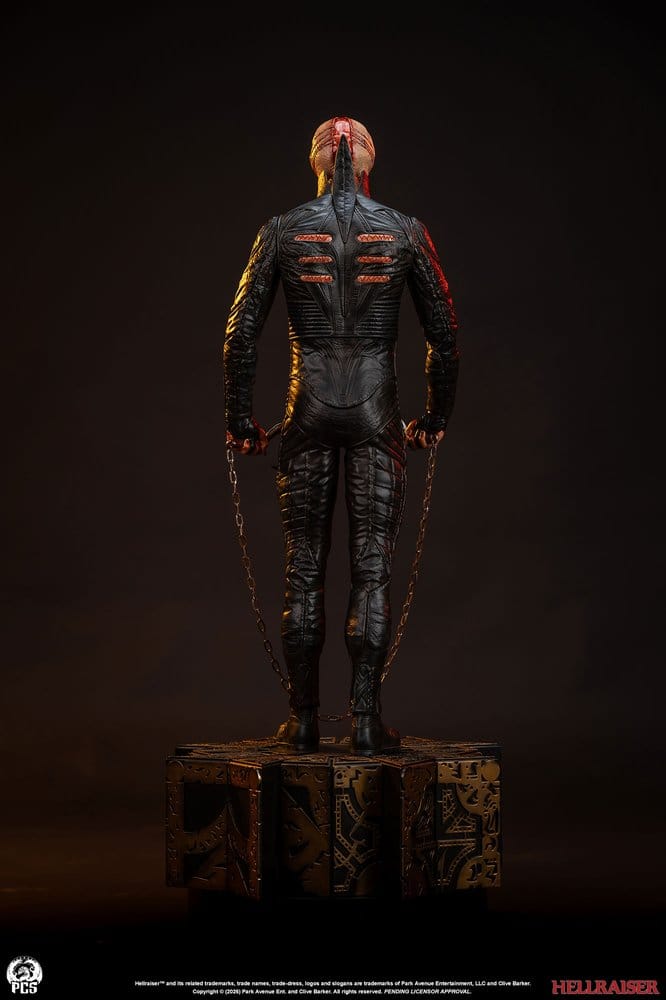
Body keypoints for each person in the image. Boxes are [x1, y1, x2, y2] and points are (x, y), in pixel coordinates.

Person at [223, 117, 459, 755]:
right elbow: (444, 334)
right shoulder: (405, 231)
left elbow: (240, 335)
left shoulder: (282, 230)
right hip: (377, 416)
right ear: (367, 162)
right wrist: (434, 418)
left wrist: (241, 423)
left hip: (307, 412)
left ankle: (303, 722)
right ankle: (365, 722)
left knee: (303, 567)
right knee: (372, 569)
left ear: (317, 163)